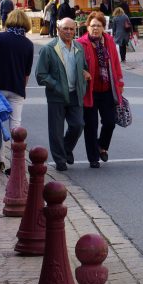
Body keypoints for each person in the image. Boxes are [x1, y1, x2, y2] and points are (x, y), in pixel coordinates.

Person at [0, 8, 34, 173]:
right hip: (17, 89)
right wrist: (22, 89)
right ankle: (15, 164)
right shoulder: (29, 44)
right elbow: (26, 72)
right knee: (15, 126)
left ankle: (0, 160)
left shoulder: (1, 38)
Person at [35, 17, 89, 171]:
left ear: (75, 30)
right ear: (58, 29)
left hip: (75, 94)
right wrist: (56, 86)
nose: (69, 32)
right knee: (56, 130)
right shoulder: (49, 49)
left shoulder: (78, 48)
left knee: (78, 125)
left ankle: (66, 149)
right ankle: (60, 159)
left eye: (71, 29)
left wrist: (84, 74)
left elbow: (84, 67)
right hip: (57, 95)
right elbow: (41, 75)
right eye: (65, 28)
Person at [77, 11, 124, 169]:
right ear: (87, 27)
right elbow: (76, 66)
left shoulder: (108, 41)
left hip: (107, 89)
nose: (95, 28)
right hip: (89, 91)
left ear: (104, 27)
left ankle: (102, 146)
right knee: (91, 126)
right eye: (93, 25)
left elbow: (116, 64)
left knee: (110, 122)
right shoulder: (81, 43)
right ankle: (93, 158)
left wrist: (119, 82)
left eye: (99, 25)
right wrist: (83, 72)